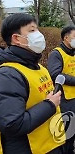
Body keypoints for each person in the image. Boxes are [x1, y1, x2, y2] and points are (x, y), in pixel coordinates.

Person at [0, 13, 65, 154]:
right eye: (32, 30)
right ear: (17, 39)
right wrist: (50, 105)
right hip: (28, 149)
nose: (39, 35)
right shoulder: (7, 75)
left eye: (37, 30)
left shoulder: (39, 67)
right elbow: (12, 124)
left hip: (51, 144)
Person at [47, 26, 75, 154]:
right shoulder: (56, 54)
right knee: (66, 133)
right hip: (65, 101)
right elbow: (55, 74)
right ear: (66, 37)